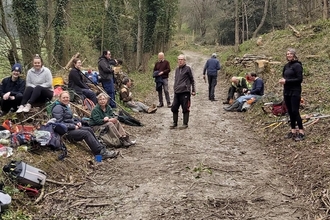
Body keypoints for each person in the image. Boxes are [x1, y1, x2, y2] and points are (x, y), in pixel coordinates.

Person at [52, 91, 118, 159]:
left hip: (70, 128)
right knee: (86, 133)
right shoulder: (58, 108)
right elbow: (59, 123)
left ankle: (101, 148)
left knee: (88, 129)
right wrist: (74, 126)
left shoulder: (65, 106)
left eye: (67, 97)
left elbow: (68, 120)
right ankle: (99, 152)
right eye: (64, 98)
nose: (66, 99)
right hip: (65, 132)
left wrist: (76, 122)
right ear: (59, 98)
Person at [279, 48, 304, 141]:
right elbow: (284, 76)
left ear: (294, 55)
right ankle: (293, 130)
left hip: (295, 91)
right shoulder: (286, 66)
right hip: (286, 91)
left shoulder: (297, 65)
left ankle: (301, 131)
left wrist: (287, 81)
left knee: (295, 111)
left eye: (290, 54)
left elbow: (299, 79)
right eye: (287, 54)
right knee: (289, 111)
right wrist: (282, 80)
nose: (289, 55)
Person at [170, 54, 196, 129]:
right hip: (177, 92)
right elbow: (176, 80)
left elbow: (192, 80)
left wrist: (193, 90)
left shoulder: (188, 69)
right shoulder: (177, 69)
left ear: (184, 61)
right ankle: (175, 122)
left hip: (185, 91)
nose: (180, 61)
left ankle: (185, 123)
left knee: (185, 108)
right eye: (179, 59)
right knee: (174, 107)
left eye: (182, 59)